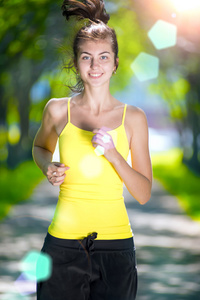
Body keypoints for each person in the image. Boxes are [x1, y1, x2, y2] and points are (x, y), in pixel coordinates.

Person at [33, 0, 152, 299]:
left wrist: (114, 155)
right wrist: (46, 165)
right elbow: (39, 147)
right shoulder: (57, 111)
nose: (95, 65)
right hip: (61, 245)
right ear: (76, 62)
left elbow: (143, 193)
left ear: (115, 63)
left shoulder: (133, 118)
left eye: (103, 57)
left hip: (116, 248)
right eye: (86, 57)